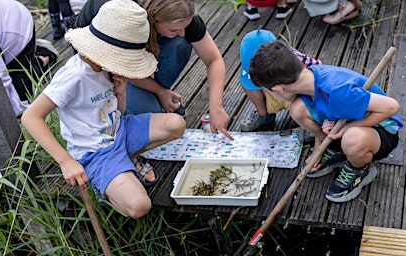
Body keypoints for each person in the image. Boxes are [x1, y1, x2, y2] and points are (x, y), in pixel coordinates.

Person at [21, 0, 186, 218]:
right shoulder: (75, 75)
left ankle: (127, 162)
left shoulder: (106, 68)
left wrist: (121, 93)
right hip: (94, 151)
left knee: (177, 124)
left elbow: (117, 111)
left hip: (118, 130)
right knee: (139, 206)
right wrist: (66, 161)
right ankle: (108, 190)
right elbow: (31, 117)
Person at [248, 41, 403, 203]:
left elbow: (391, 107)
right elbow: (322, 112)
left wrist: (349, 127)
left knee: (353, 138)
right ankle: (336, 150)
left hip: (381, 131)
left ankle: (360, 169)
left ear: (278, 89)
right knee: (297, 109)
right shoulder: (307, 81)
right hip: (346, 124)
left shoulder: (337, 91)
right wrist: (318, 150)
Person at [75, 0, 234, 140]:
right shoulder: (126, 16)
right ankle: (151, 97)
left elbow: (214, 60)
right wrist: (159, 92)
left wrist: (216, 107)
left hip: (131, 57)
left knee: (181, 42)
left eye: (185, 26)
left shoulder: (181, 11)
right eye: (174, 29)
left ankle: (156, 93)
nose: (183, 32)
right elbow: (121, 66)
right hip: (102, 61)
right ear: (153, 20)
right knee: (150, 115)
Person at [239, 28, 321, 132]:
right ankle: (263, 115)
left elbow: (316, 80)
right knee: (248, 84)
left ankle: (313, 126)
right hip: (276, 89)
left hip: (299, 95)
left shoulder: (294, 61)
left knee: (299, 107)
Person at [0, 0, 58, 116]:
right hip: (0, 36)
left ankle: (44, 56)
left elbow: (1, 79)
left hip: (18, 25)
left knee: (19, 93)